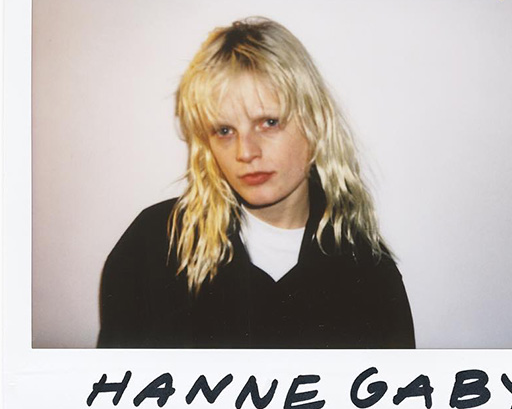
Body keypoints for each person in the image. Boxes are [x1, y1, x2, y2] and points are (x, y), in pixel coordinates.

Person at [98, 17, 415, 348]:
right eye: (224, 131)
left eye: (269, 122)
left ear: (315, 122)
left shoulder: (369, 275)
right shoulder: (153, 247)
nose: (245, 152)